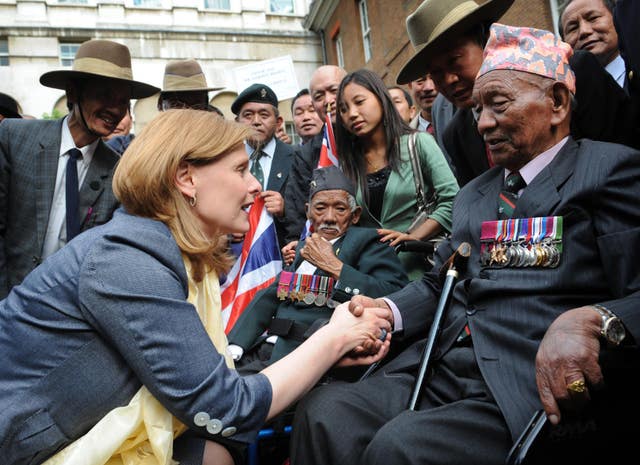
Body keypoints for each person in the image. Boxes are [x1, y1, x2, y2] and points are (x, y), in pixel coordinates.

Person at [290, 23, 640, 465]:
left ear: (556, 102)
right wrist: (388, 311)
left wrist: (595, 319)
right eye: (477, 110)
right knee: (324, 413)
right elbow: (442, 280)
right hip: (439, 361)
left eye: (498, 105)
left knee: (399, 449)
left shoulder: (609, 170)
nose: (484, 122)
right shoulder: (476, 193)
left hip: (526, 378)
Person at [0, 109, 392, 465]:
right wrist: (334, 338)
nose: (255, 185)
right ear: (186, 178)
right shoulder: (129, 262)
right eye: (240, 170)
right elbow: (225, 405)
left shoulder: (166, 252)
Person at [0, 39, 159, 299]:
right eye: (105, 95)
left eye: (123, 101)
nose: (115, 110)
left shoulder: (120, 171)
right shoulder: (13, 139)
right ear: (73, 93)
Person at [227, 165, 408, 372]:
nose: (329, 217)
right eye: (320, 208)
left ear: (355, 215)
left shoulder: (368, 242)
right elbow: (270, 296)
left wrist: (335, 267)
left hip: (310, 357)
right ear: (308, 213)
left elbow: (395, 295)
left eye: (340, 208)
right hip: (267, 347)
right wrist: (236, 343)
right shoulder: (304, 247)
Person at [335, 68, 459, 280]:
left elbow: (452, 199)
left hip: (422, 271)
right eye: (344, 109)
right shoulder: (348, 165)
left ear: (381, 99)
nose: (352, 113)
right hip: (373, 275)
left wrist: (411, 237)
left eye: (359, 101)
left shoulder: (418, 143)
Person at [283, 65, 347, 245]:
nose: (328, 100)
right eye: (319, 97)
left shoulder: (370, 137)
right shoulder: (305, 155)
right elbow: (296, 212)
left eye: (334, 91)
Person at [232, 83, 295, 249]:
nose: (256, 122)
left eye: (264, 115)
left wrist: (284, 210)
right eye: (248, 115)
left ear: (278, 122)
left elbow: (310, 212)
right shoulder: (224, 158)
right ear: (236, 121)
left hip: (279, 255)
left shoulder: (297, 158)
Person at [559, 0, 626, 89]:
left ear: (616, 19)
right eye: (573, 28)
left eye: (593, 18)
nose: (584, 31)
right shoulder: (568, 98)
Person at [157, 58, 223, 111]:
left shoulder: (216, 120)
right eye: (179, 104)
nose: (188, 109)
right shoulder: (158, 125)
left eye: (197, 104)